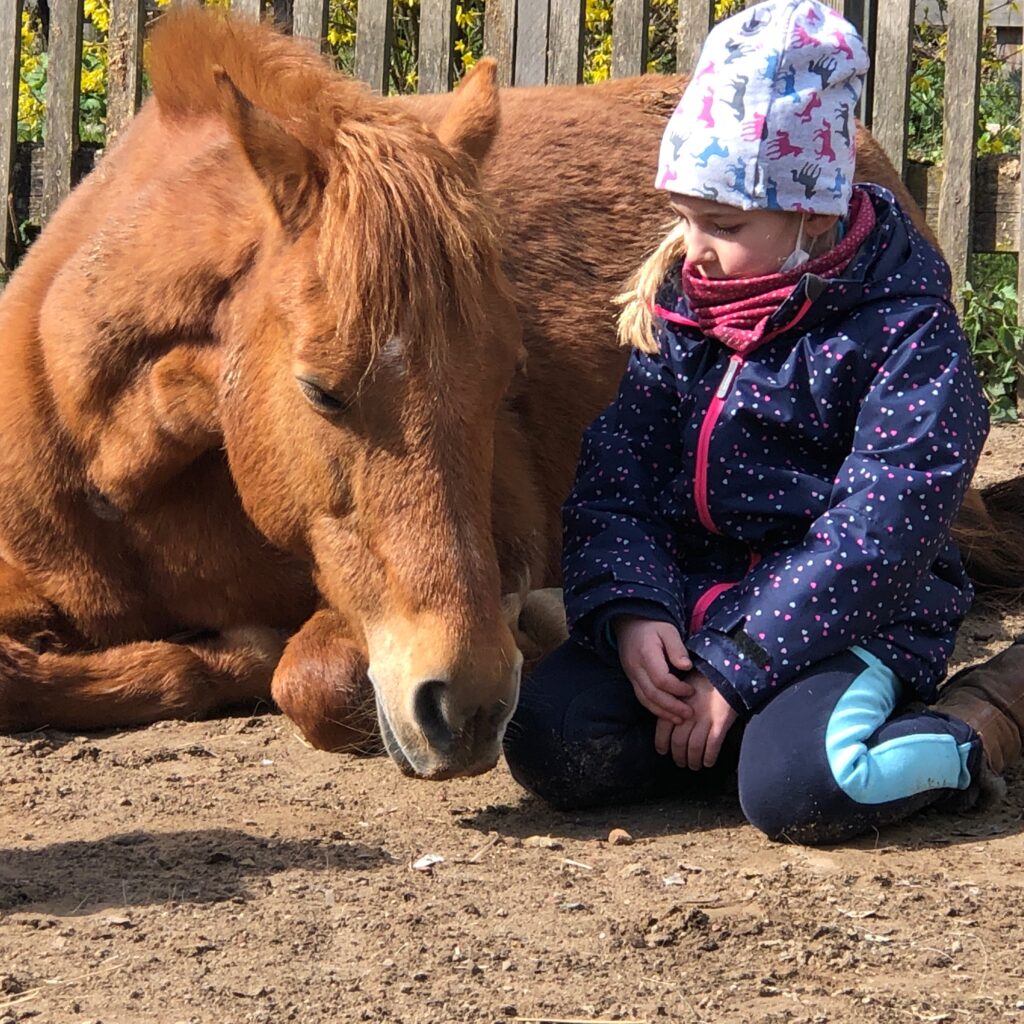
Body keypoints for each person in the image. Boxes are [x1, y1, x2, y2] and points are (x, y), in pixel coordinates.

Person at [503, 0, 1024, 843]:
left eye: (724, 224)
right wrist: (634, 613)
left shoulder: (908, 334)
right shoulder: (686, 309)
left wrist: (741, 662)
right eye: (683, 216)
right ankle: (743, 734)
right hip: (700, 608)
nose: (691, 245)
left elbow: (877, 535)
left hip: (849, 623)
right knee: (548, 736)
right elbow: (616, 480)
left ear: (811, 215)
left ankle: (976, 732)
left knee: (807, 793)